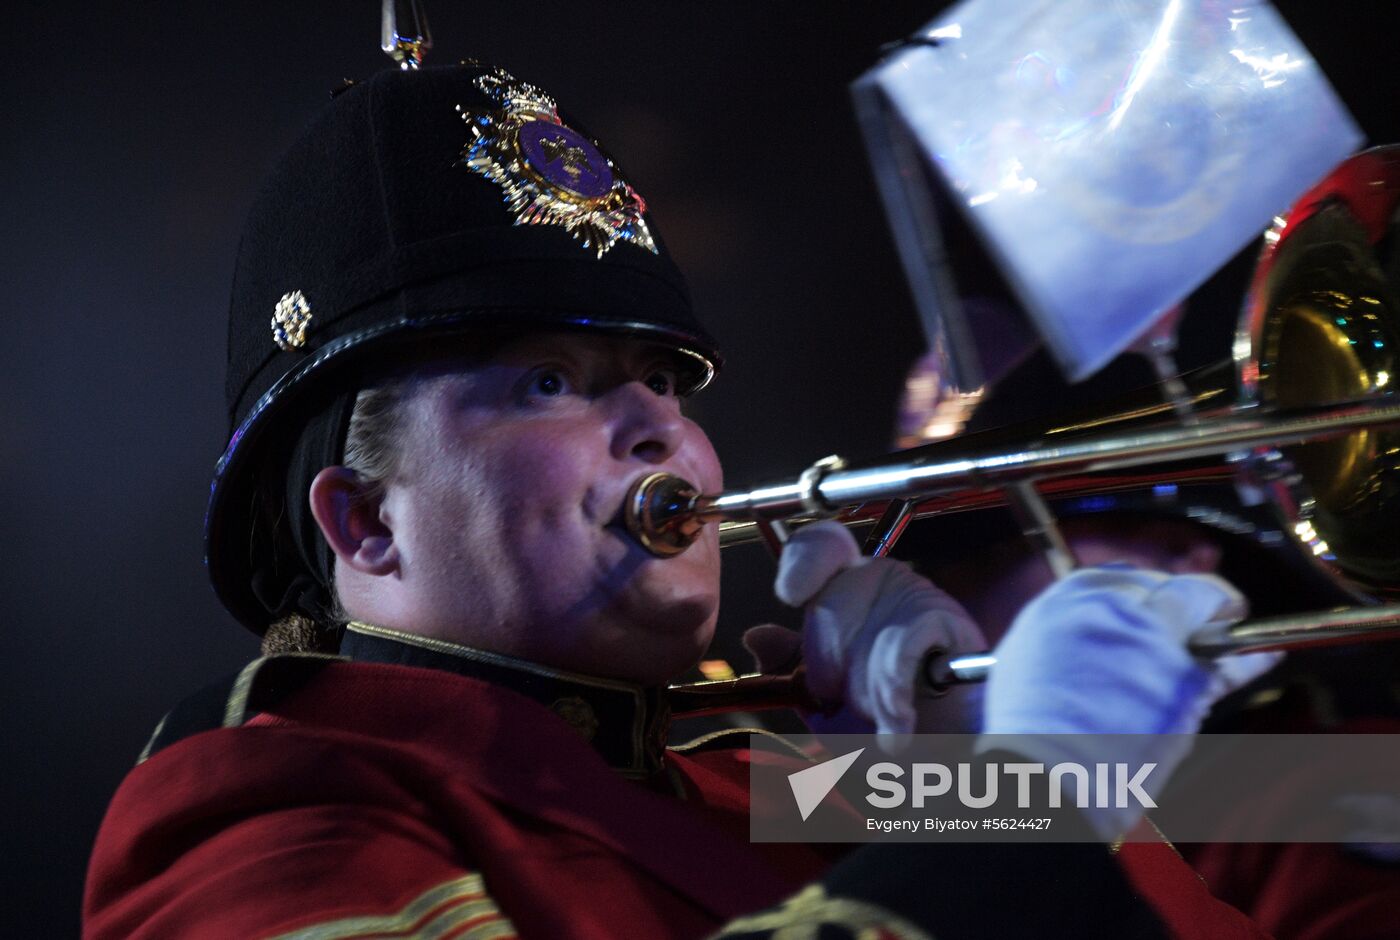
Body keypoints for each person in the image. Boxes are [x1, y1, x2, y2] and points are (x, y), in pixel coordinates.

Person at [84, 61, 1273, 939]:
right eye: (546, 382)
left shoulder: (781, 772)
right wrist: (1037, 807)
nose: (661, 426)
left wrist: (985, 792)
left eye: (662, 379)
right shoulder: (253, 791)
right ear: (367, 521)